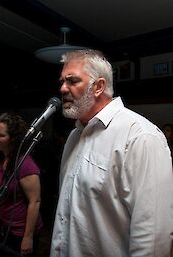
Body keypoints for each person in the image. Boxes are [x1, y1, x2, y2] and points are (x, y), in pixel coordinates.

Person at [50, 49, 173, 257]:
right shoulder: (74, 136)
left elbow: (152, 238)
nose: (63, 88)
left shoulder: (140, 136)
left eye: (72, 81)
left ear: (98, 87)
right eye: (62, 81)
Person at [0, 112, 43, 256]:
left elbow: (35, 201)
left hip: (21, 232)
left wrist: (28, 237)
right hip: (5, 226)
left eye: (0, 135)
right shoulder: (0, 156)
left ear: (13, 139)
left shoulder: (25, 164)